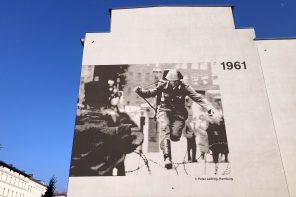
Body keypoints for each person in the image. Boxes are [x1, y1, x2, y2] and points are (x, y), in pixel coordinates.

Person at [134, 69, 220, 169]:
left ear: (179, 80)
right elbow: (151, 93)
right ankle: (167, 158)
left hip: (179, 114)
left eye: (176, 81)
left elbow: (198, 98)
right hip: (164, 110)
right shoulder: (163, 85)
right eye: (172, 81)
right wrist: (140, 91)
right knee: (164, 128)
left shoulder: (185, 87)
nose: (174, 83)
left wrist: (210, 108)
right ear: (168, 80)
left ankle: (172, 134)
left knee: (174, 136)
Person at [70, 78, 143, 176]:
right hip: (105, 171)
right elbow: (135, 137)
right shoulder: (117, 117)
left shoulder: (77, 118)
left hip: (76, 172)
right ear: (107, 98)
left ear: (86, 97)